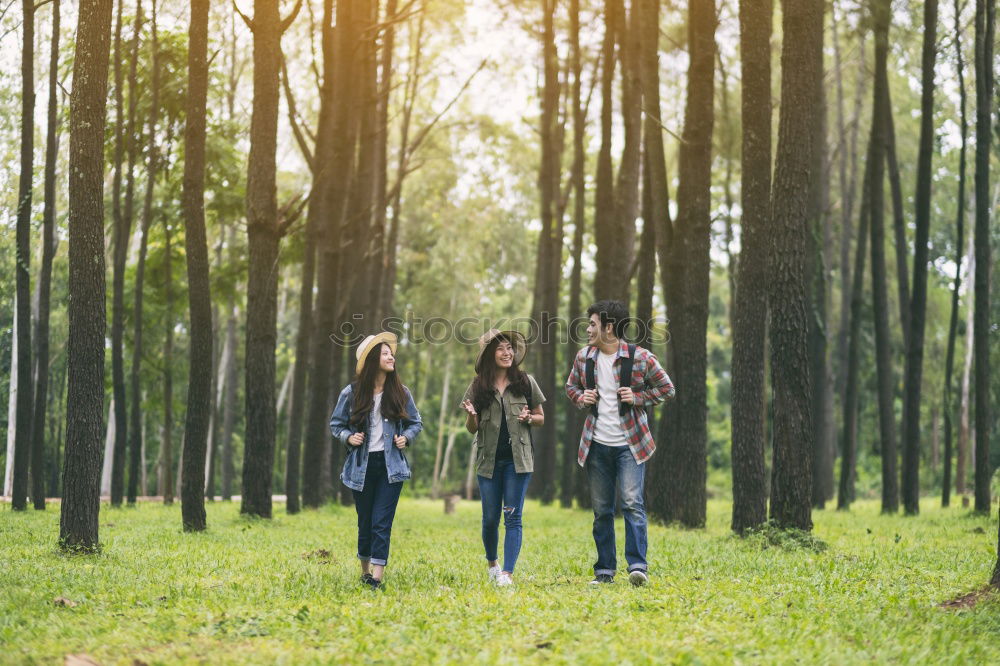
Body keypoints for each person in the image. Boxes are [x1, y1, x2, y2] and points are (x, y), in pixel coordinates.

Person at [565, 300, 675, 586]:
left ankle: (638, 567)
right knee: (602, 510)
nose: (588, 329)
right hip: (596, 443)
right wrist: (581, 397)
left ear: (609, 327)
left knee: (631, 504)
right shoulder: (583, 358)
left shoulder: (640, 357)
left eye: (592, 324)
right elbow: (571, 387)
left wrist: (638, 398)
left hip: (631, 444)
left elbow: (667, 388)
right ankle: (604, 571)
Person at [330, 332, 422, 590]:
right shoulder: (351, 393)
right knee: (366, 520)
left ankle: (377, 578)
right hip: (361, 466)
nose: (391, 356)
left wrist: (406, 438)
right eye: (384, 353)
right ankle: (365, 570)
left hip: (391, 467)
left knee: (382, 521)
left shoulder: (401, 392)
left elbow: (416, 423)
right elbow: (336, 425)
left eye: (391, 353)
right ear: (372, 359)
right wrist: (349, 437)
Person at [460, 329, 545, 587]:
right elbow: (471, 428)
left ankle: (507, 574)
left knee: (513, 516)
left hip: (518, 462)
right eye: (500, 349)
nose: (507, 352)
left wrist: (529, 417)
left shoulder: (526, 382)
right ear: (488, 355)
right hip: (489, 463)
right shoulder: (477, 386)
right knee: (489, 519)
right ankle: (492, 564)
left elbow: (541, 417)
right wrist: (472, 416)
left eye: (509, 347)